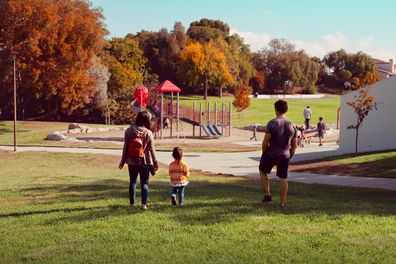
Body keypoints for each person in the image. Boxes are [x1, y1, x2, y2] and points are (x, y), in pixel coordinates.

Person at [259, 100, 297, 208]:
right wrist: (290, 155)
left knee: (262, 171)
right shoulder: (292, 125)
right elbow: (294, 146)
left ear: (276, 109)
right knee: (283, 178)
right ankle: (282, 203)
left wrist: (264, 153)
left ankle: (267, 195)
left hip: (271, 153)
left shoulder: (272, 123)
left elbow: (265, 142)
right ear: (286, 110)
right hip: (285, 155)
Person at [119, 111, 159, 210]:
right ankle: (143, 204)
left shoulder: (128, 131)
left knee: (132, 182)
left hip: (131, 161)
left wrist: (122, 161)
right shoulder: (148, 133)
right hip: (145, 162)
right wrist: (155, 162)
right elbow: (151, 149)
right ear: (147, 120)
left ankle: (132, 203)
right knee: (144, 183)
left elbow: (125, 148)